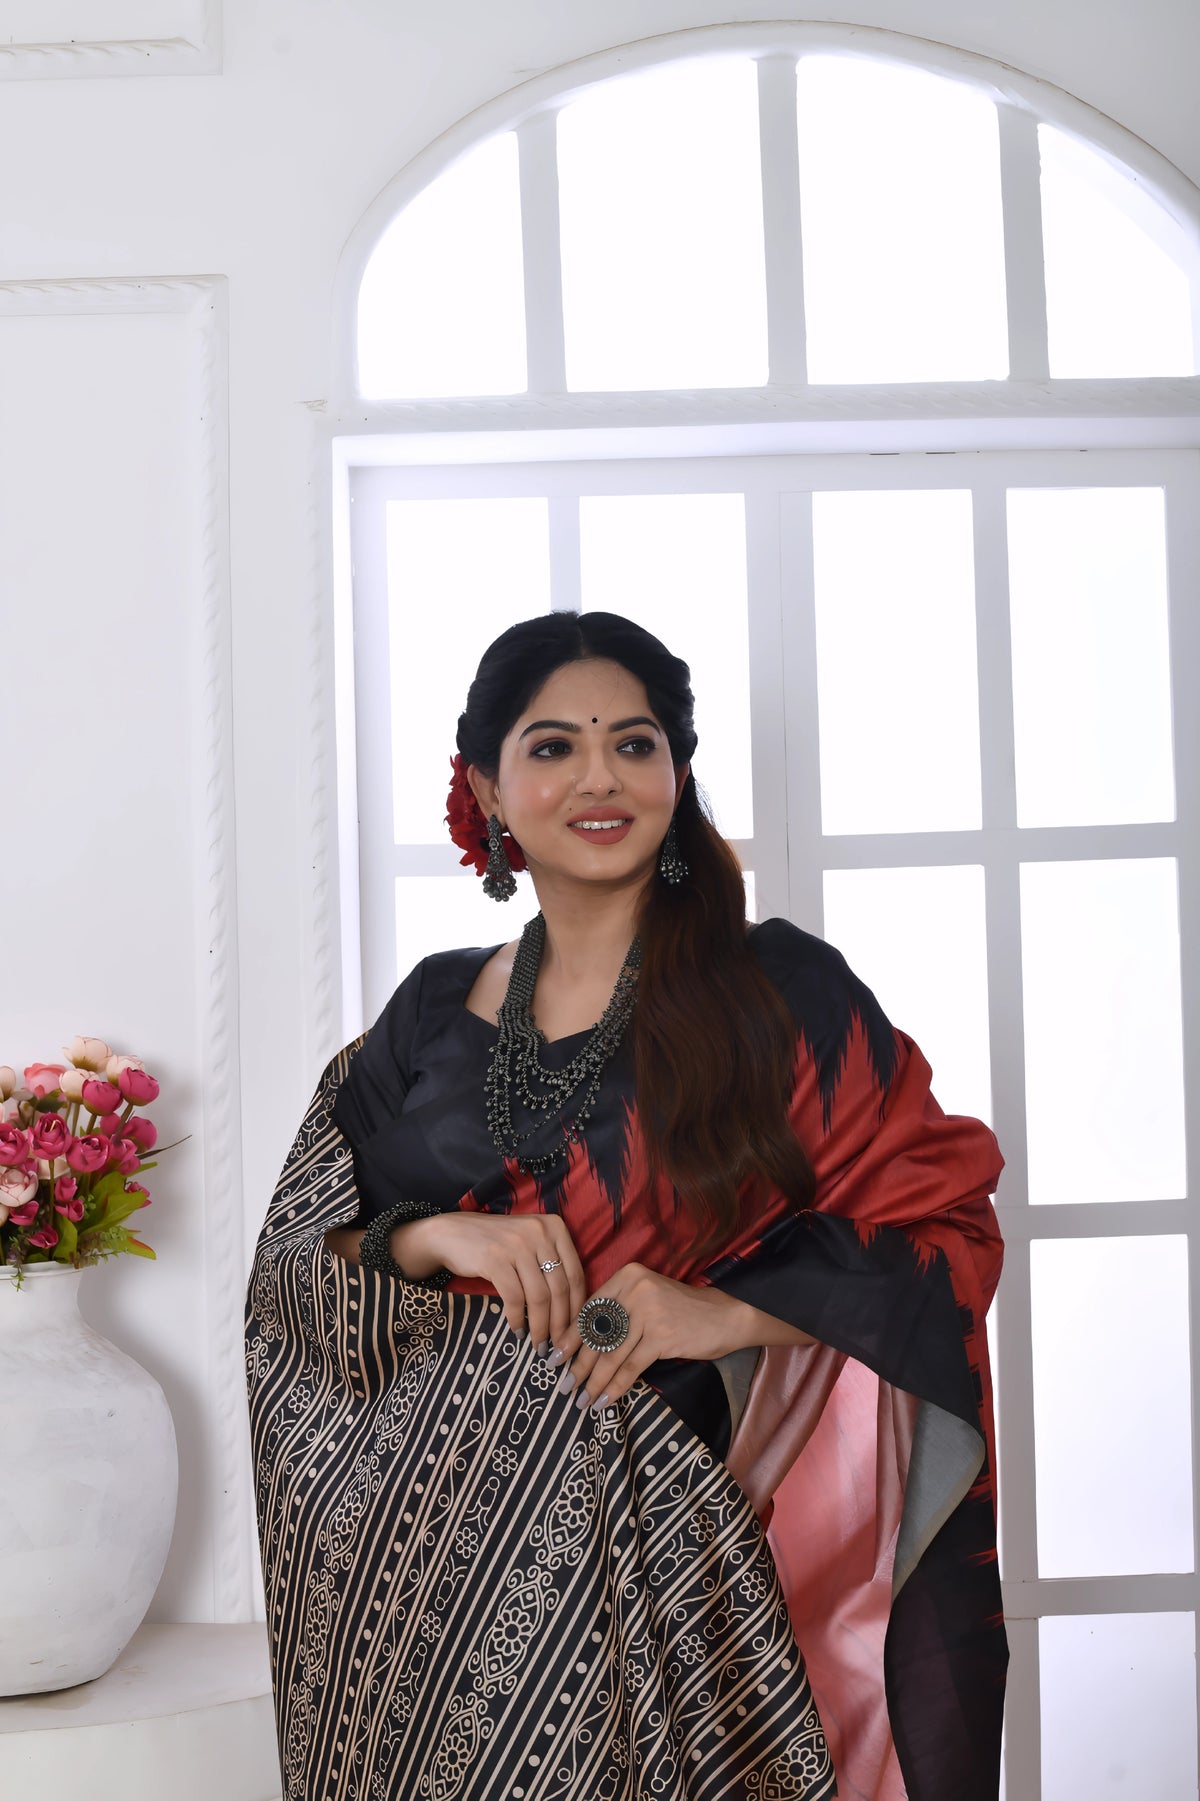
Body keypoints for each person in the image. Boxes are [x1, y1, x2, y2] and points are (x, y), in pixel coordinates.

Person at [245, 610, 1007, 1801]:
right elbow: (300, 1265)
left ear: (677, 775)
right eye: (552, 747)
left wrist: (727, 1311)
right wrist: (432, 1232)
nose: (599, 776)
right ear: (486, 789)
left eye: (634, 744)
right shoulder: (426, 1016)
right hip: (433, 1607)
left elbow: (945, 1227)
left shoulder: (779, 995)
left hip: (695, 1578)